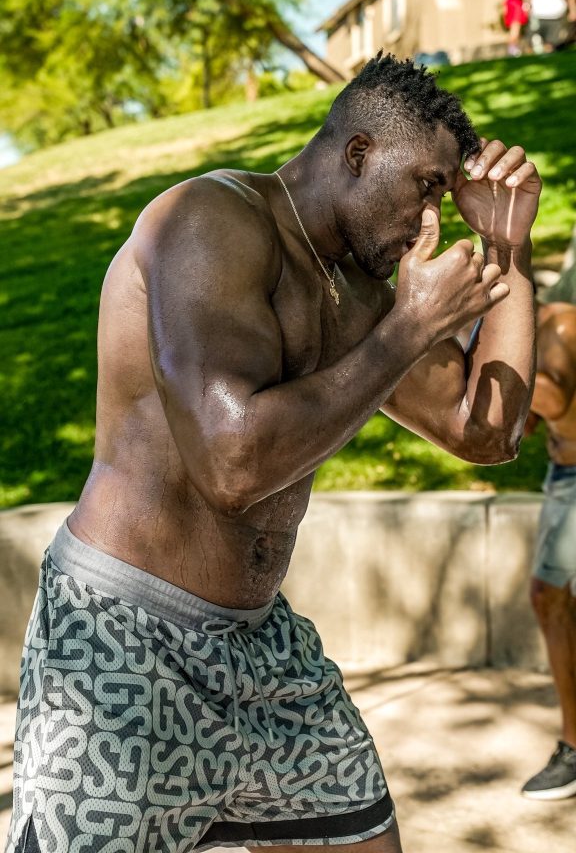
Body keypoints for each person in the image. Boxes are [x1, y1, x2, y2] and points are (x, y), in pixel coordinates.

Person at [6, 53, 541, 853]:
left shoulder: (358, 292)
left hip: (260, 644)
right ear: (359, 153)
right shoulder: (211, 221)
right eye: (427, 184)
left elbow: (486, 432)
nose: (434, 216)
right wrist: (405, 331)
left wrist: (507, 253)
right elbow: (233, 466)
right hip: (121, 640)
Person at [521, 298, 576, 801]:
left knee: (550, 593)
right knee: (548, 595)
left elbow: (554, 398)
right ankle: (574, 748)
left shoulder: (560, 325)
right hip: (564, 473)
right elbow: (538, 419)